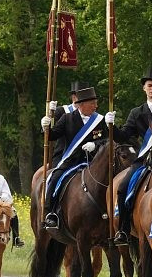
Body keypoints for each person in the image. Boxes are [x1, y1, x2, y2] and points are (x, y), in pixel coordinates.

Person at [112, 68, 152, 246]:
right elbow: (123, 136)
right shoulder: (137, 112)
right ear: (144, 89)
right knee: (123, 187)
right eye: (150, 85)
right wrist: (111, 126)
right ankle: (124, 229)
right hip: (145, 160)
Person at [41, 85, 118, 229]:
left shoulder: (100, 120)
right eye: (92, 103)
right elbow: (52, 136)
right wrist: (45, 126)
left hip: (94, 161)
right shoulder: (67, 118)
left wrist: (95, 145)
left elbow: (109, 140)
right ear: (81, 105)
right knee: (55, 178)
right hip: (71, 161)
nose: (96, 106)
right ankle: (50, 212)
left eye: (96, 103)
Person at [0, 153, 25, 247]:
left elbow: (6, 192)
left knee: (14, 213)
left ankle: (16, 238)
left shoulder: (0, 178)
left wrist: (2, 199)